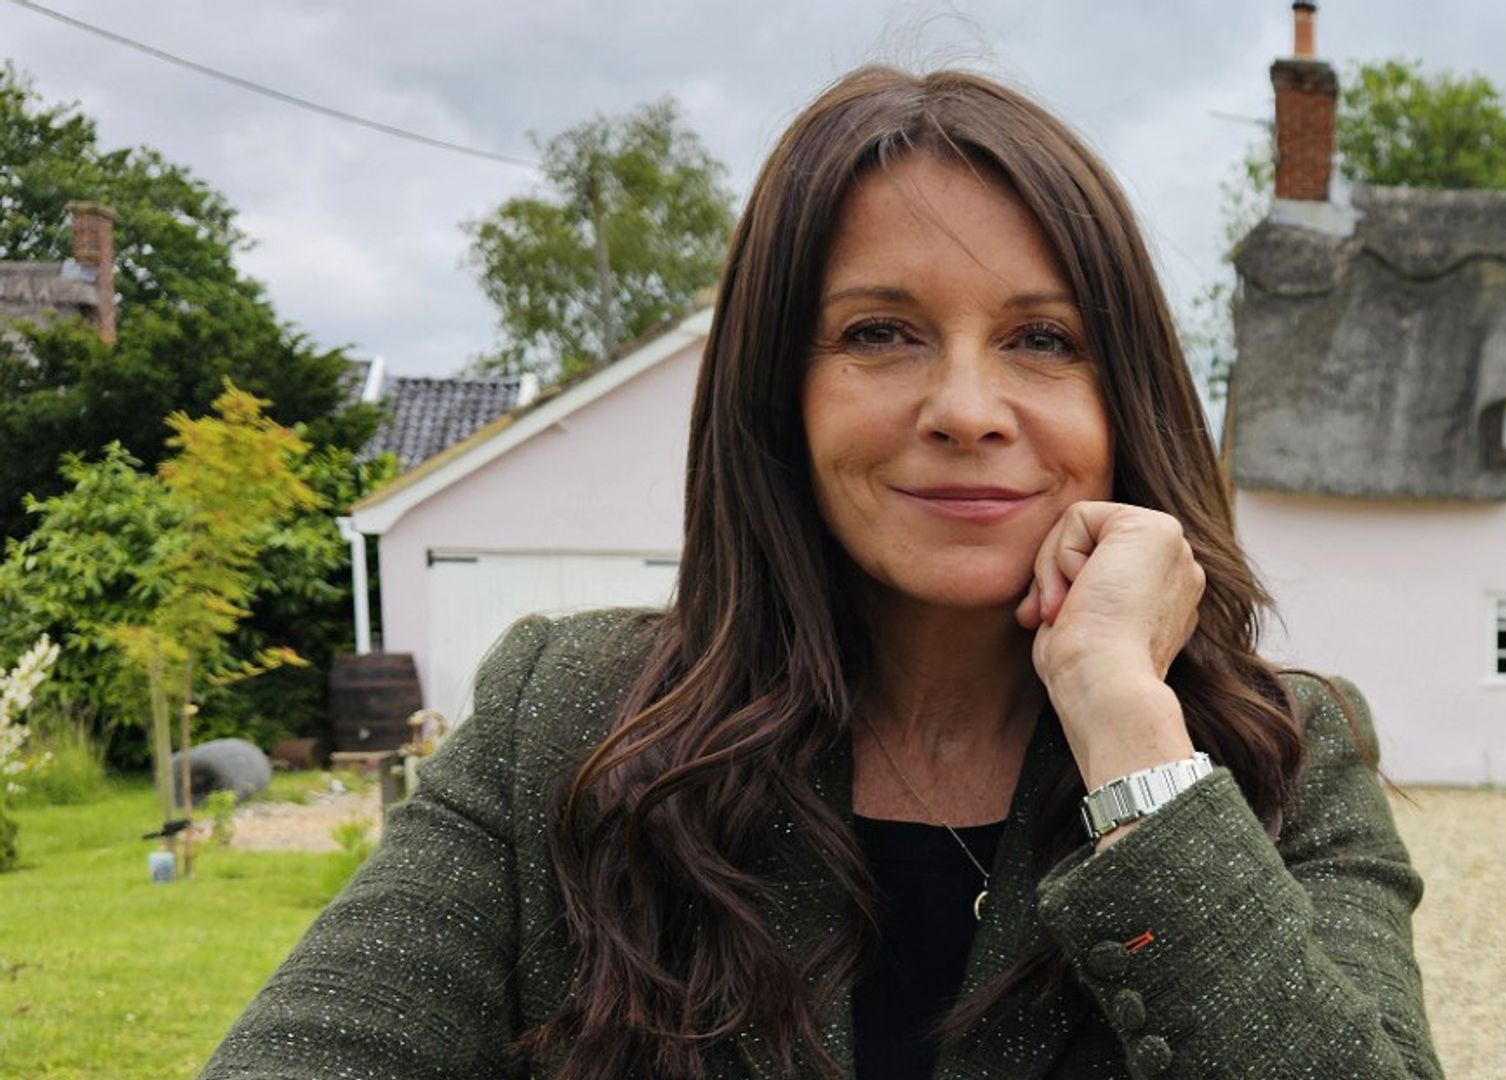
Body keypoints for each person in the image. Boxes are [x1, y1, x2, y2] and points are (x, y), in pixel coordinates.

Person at [200, 65, 1440, 1080]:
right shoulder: (564, 723)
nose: (966, 407)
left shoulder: (1283, 756)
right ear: (779, 395)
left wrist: (1131, 735)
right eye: (880, 334)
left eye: (1042, 340)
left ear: (1126, 400)